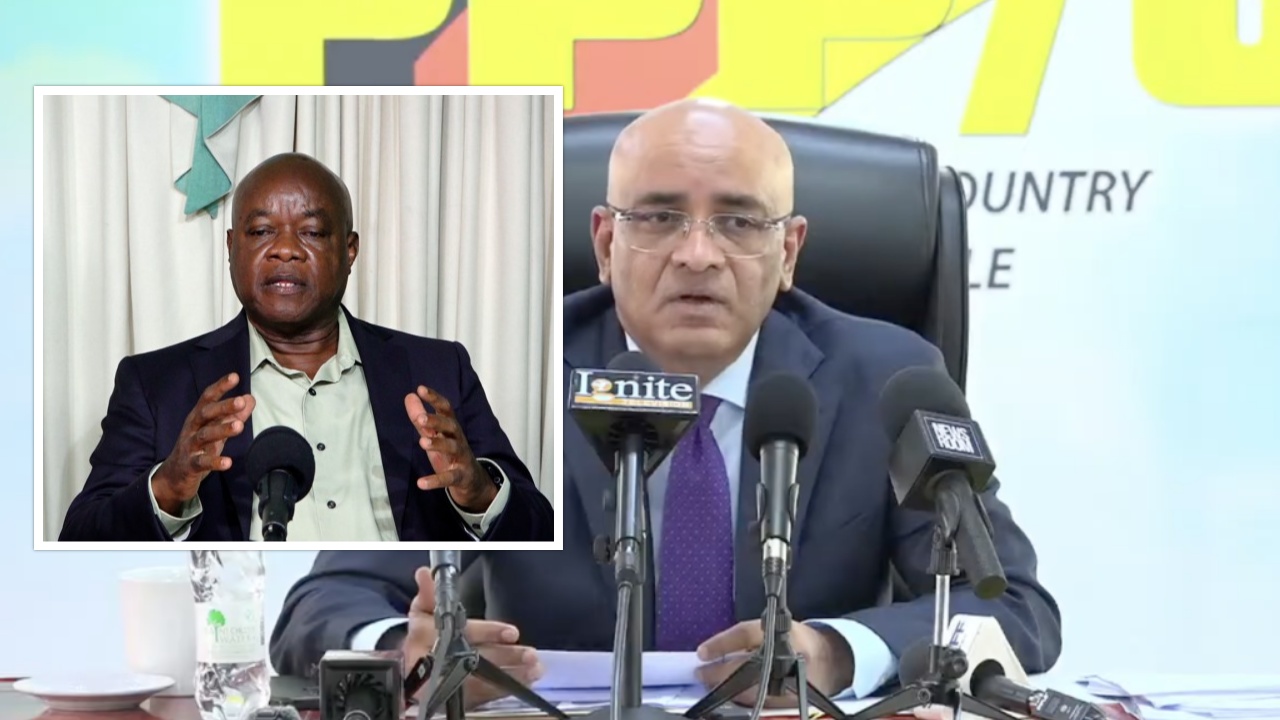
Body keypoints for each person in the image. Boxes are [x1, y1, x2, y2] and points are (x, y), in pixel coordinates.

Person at [270, 101, 1060, 705]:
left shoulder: (885, 376)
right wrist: (403, 653)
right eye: (657, 217)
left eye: (739, 221)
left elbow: (1015, 606)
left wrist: (838, 652)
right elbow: (321, 603)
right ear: (605, 242)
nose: (697, 254)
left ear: (788, 252)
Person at [58, 152, 553, 542]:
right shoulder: (157, 384)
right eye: (261, 231)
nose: (285, 249)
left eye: (312, 232)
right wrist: (168, 486)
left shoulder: (438, 370)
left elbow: (543, 531)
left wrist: (479, 491)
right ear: (231, 248)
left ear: (349, 250)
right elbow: (80, 537)